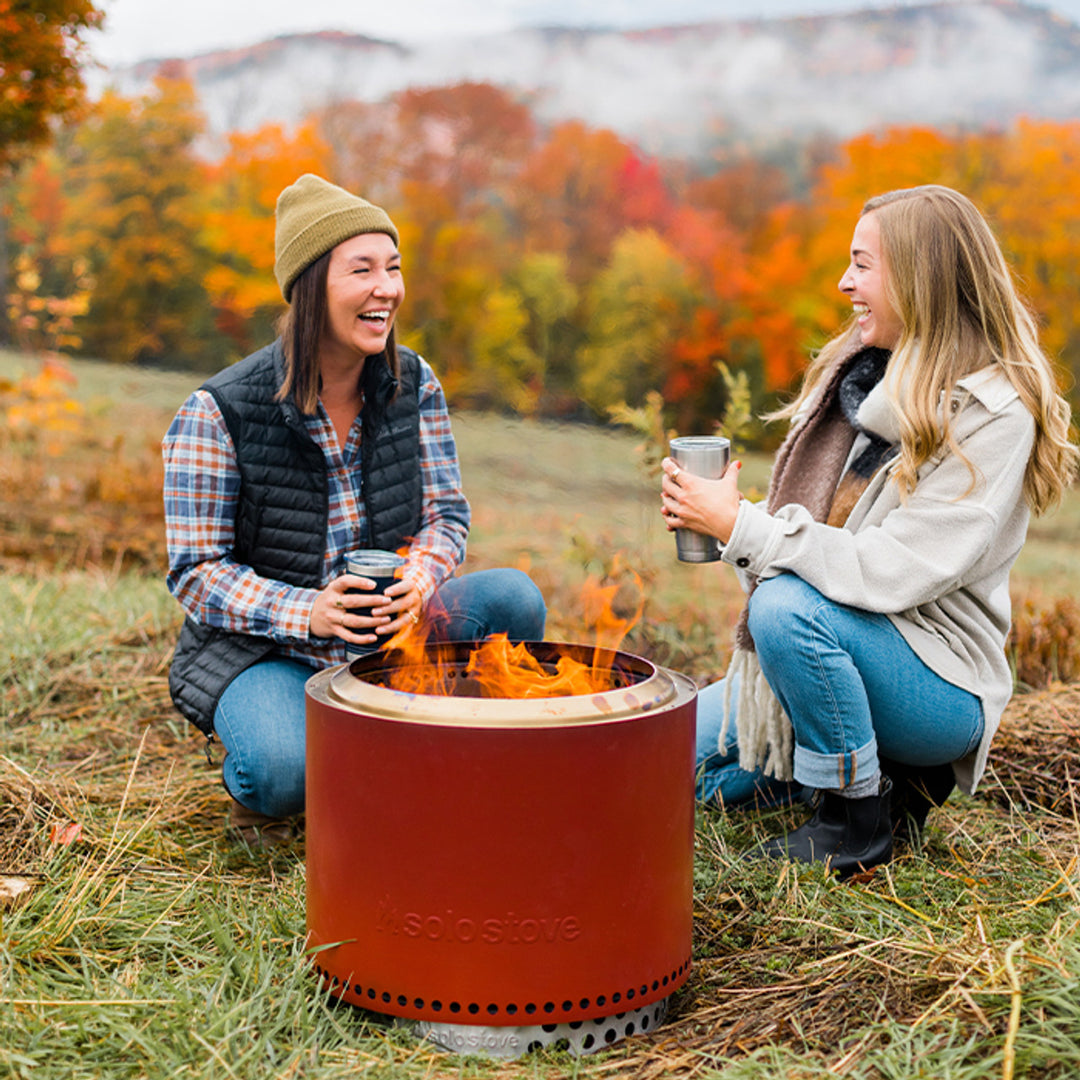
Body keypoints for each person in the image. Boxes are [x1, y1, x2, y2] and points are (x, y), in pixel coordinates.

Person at [660, 185, 1078, 877]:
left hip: (937, 680)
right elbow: (805, 554)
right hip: (840, 649)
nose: (843, 283)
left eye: (862, 264)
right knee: (660, 768)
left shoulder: (994, 413)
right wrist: (734, 524)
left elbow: (891, 570)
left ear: (918, 278)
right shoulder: (857, 384)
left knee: (786, 609)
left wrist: (745, 527)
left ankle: (853, 821)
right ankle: (852, 771)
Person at [163, 174, 547, 846]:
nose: (387, 289)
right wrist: (307, 610)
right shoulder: (218, 411)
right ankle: (279, 775)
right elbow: (195, 572)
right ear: (311, 288)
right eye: (362, 269)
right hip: (267, 650)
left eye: (393, 269)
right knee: (282, 770)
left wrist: (418, 582)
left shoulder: (414, 383)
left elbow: (445, 516)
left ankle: (435, 751)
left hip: (390, 634)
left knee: (513, 599)